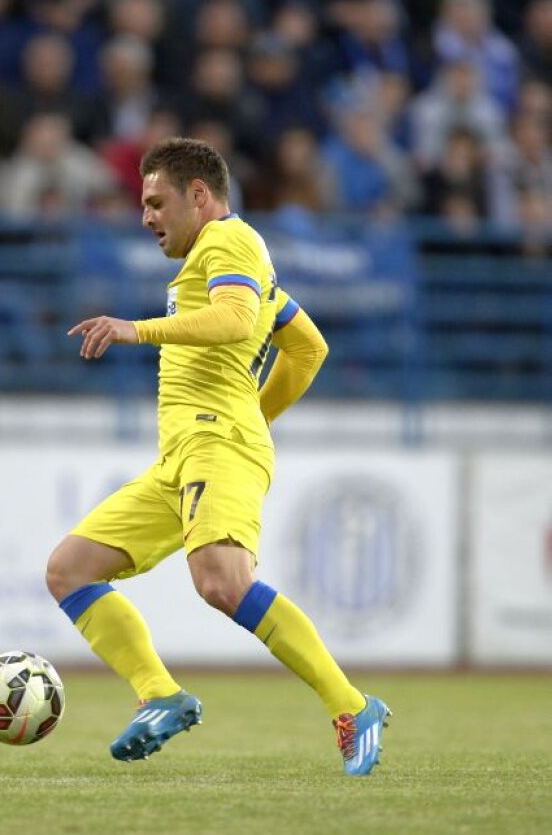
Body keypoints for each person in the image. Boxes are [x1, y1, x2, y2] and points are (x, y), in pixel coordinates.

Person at [47, 138, 390, 777]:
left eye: (156, 202)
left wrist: (137, 329)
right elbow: (307, 347)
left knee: (221, 582)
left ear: (198, 195)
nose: (146, 217)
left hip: (215, 443)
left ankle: (352, 705)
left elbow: (234, 321)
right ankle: (161, 696)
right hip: (182, 456)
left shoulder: (231, 243)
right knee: (70, 569)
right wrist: (254, 416)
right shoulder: (222, 257)